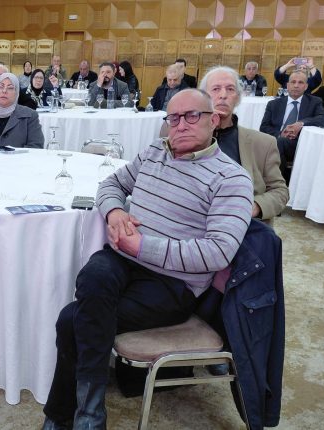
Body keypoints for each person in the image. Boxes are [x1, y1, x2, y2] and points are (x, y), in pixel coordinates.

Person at [42, 89, 253, 429]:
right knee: (92, 276)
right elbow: (110, 184)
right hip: (122, 260)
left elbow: (218, 251)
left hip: (173, 285)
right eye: (174, 118)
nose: (180, 125)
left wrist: (142, 246)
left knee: (71, 319)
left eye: (192, 116)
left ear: (214, 120)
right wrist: (114, 212)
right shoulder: (156, 152)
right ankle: (88, 416)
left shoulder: (232, 178)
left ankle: (73, 415)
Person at [201, 66, 288, 222]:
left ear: (238, 98)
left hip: (243, 225)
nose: (223, 95)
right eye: (215, 89)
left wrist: (254, 207)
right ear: (202, 97)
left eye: (230, 89)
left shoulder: (263, 143)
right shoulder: (184, 137)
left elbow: (280, 191)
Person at [259, 70, 324, 182]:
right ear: (287, 85)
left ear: (306, 86)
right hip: (276, 140)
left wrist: (301, 124)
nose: (296, 85)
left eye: (300, 82)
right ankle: (277, 181)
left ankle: (274, 182)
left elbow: (322, 118)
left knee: (279, 143)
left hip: (300, 143)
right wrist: (280, 134)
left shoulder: (314, 102)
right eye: (293, 82)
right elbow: (264, 127)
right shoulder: (274, 104)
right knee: (277, 142)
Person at [0, 73, 44, 149]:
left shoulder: (30, 116)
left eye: (10, 88)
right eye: (1, 86)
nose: (4, 91)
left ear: (17, 93)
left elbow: (36, 147)